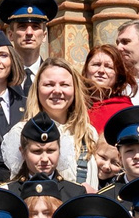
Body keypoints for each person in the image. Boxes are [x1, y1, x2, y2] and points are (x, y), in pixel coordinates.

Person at [8, 61, 109, 189]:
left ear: (75, 89)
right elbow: (17, 187)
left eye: (64, 85)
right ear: (37, 89)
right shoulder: (20, 132)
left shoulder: (88, 132)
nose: (57, 91)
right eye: (49, 84)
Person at [1, 0, 57, 91]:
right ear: (10, 35)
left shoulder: (55, 75)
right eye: (22, 26)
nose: (29, 33)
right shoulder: (0, 76)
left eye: (35, 27)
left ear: (44, 36)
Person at [83, 46, 134, 135]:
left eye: (109, 67)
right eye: (96, 64)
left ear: (118, 75)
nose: (101, 70)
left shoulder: (126, 112)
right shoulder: (74, 105)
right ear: (86, 70)